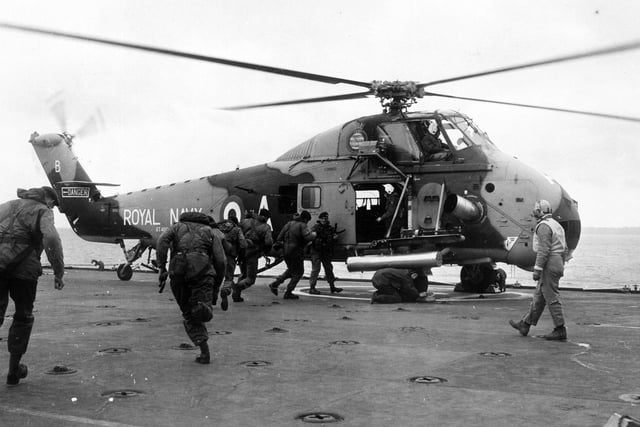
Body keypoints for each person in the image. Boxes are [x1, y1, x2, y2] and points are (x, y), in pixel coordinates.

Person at [0, 187, 65, 385]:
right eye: (53, 203)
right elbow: (52, 238)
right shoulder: (43, 211)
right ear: (47, 198)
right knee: (23, 316)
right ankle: (14, 370)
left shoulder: (9, 205)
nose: (52, 206)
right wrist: (58, 272)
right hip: (25, 272)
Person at [156, 211, 226, 364]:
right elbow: (221, 262)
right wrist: (215, 288)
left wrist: (162, 267)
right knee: (202, 308)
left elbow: (162, 241)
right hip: (203, 272)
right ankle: (204, 308)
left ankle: (204, 351)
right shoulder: (210, 232)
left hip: (178, 271)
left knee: (188, 313)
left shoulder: (176, 227)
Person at [509, 200, 569, 341]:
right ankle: (525, 324)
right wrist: (560, 264)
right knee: (539, 297)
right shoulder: (556, 225)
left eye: (536, 210)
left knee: (552, 297)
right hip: (557, 261)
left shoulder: (543, 226)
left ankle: (560, 329)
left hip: (549, 263)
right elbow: (565, 248)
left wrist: (537, 269)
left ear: (541, 211)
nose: (533, 212)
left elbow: (543, 250)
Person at [269, 210, 316, 299]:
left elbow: (279, 237)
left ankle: (276, 283)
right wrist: (314, 234)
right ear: (305, 219)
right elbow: (308, 237)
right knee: (298, 273)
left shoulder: (289, 223)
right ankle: (288, 291)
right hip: (296, 252)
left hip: (286, 252)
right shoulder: (303, 225)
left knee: (291, 270)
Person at [233, 208, 273, 302]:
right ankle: (237, 287)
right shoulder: (266, 227)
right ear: (264, 217)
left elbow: (236, 232)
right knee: (250, 279)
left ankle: (236, 296)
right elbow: (268, 242)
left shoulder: (245, 221)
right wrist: (263, 250)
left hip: (242, 252)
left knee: (243, 275)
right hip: (253, 253)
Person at [217, 213, 246, 311]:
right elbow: (243, 244)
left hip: (217, 255)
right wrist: (241, 256)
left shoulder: (219, 227)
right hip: (230, 256)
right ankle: (225, 290)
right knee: (228, 277)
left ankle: (212, 294)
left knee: (214, 276)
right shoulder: (237, 230)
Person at [308, 212, 342, 294]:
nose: (324, 220)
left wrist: (335, 238)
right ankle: (312, 287)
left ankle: (332, 287)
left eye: (325, 218)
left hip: (325, 251)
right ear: (319, 219)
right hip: (316, 250)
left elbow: (333, 239)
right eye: (322, 218)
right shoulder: (316, 228)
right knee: (316, 269)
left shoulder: (329, 228)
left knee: (329, 268)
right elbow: (310, 237)